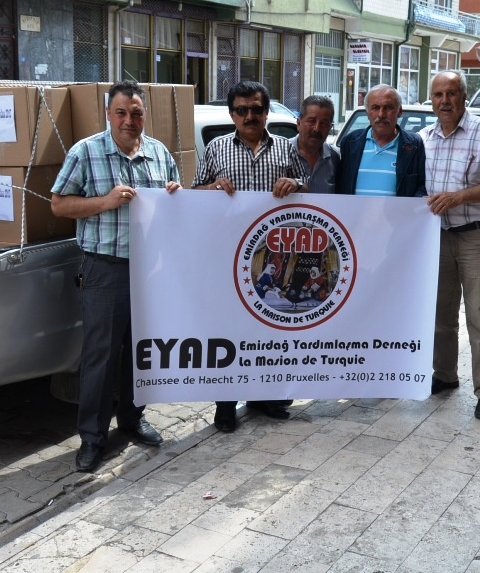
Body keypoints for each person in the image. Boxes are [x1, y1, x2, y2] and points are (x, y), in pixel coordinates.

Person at [51, 81, 181, 473]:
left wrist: (175, 194)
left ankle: (132, 419)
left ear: (145, 115)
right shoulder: (86, 152)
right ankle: (92, 437)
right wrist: (105, 202)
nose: (129, 120)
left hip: (149, 270)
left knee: (141, 351)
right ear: (108, 114)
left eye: (136, 113)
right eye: (121, 112)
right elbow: (59, 204)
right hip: (104, 269)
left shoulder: (159, 153)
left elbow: (174, 207)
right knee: (100, 356)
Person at [192, 80, 308, 432]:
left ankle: (265, 397)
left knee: (268, 328)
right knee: (228, 328)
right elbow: (195, 193)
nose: (249, 116)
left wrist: (295, 185)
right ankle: (225, 404)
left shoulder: (285, 148)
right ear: (232, 114)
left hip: (273, 252)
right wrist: (212, 188)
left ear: (266, 112)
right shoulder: (216, 149)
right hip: (229, 256)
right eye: (241, 110)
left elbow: (305, 186)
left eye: (256, 109)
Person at [422, 70, 480, 421]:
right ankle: (445, 375)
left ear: (464, 96)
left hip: (476, 236)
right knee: (440, 315)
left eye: (451, 94)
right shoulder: (423, 138)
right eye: (438, 95)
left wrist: (458, 197)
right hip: (436, 238)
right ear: (432, 100)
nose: (444, 101)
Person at [335, 84, 426, 197]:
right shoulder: (350, 143)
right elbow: (340, 186)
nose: (381, 114)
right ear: (367, 113)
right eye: (375, 107)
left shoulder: (414, 145)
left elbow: (422, 186)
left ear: (399, 111)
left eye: (388, 107)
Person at [291, 95, 340, 194]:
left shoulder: (335, 158)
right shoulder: (280, 153)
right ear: (298, 123)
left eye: (324, 123)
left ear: (330, 128)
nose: (317, 128)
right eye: (311, 121)